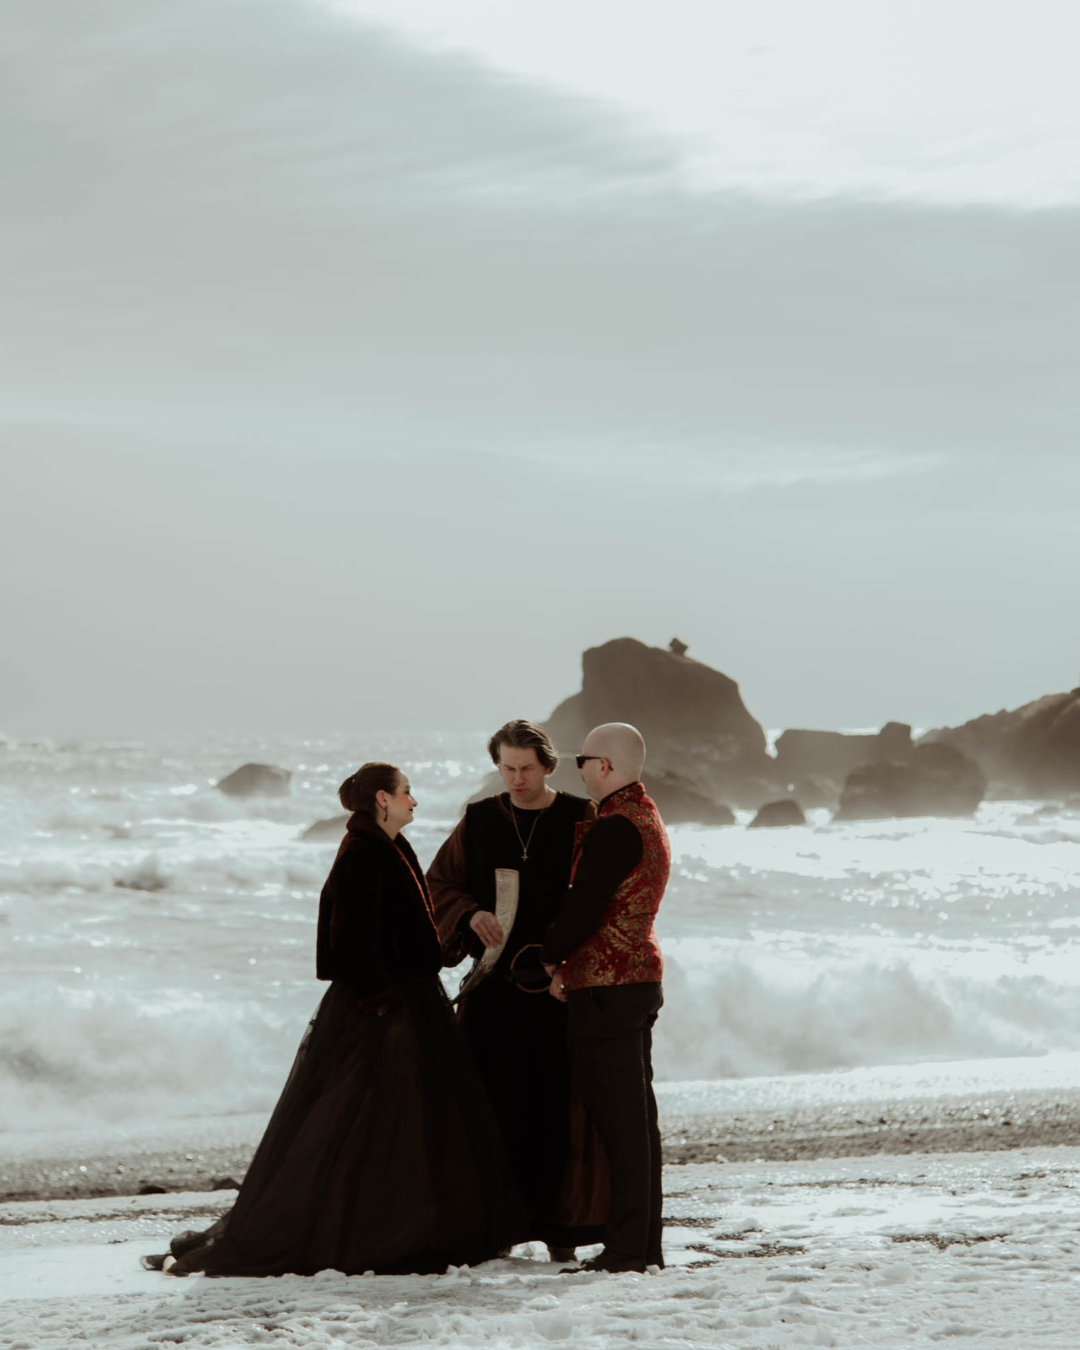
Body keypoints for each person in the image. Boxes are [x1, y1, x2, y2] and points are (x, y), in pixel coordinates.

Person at [145, 762, 522, 1277]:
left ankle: (411, 1228)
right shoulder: (363, 852)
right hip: (384, 1011)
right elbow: (350, 940)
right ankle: (380, 1235)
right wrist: (384, 1004)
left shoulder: (387, 845)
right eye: (407, 793)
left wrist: (452, 945)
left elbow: (404, 934)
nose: (416, 801)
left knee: (407, 1125)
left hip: (405, 1004)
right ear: (383, 800)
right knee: (365, 1125)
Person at [427, 720, 607, 1262]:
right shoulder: (480, 819)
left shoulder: (581, 817)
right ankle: (494, 1229)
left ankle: (561, 1234)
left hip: (557, 991)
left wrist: (571, 968)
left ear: (548, 765)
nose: (516, 778)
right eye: (506, 768)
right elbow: (439, 883)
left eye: (526, 768)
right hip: (493, 992)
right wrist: (471, 912)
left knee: (555, 1110)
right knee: (489, 1110)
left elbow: (599, 899)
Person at [541, 722, 670, 1274]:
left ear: (606, 767)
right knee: (639, 1123)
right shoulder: (648, 817)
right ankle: (642, 1246)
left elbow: (584, 902)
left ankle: (625, 1251)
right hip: (637, 980)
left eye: (582, 760)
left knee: (621, 1126)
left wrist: (550, 956)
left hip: (608, 989)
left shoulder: (616, 827)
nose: (580, 769)